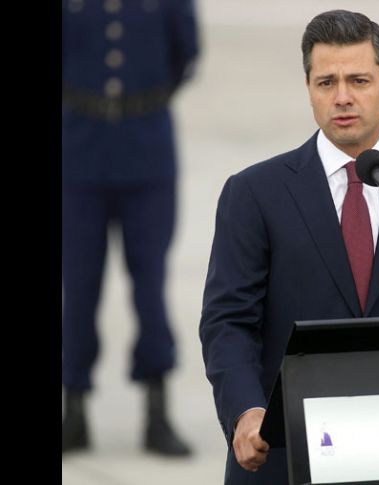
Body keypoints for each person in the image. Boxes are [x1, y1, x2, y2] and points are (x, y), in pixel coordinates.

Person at [199, 9, 379, 484]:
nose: (342, 98)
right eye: (325, 82)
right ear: (308, 89)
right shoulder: (255, 193)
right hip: (285, 457)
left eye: (358, 80)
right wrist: (246, 412)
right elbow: (228, 321)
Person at [61, 0, 199, 457]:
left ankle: (156, 411)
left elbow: (185, 51)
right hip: (78, 154)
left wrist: (138, 103)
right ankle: (74, 409)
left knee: (150, 286)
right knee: (78, 288)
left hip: (147, 156)